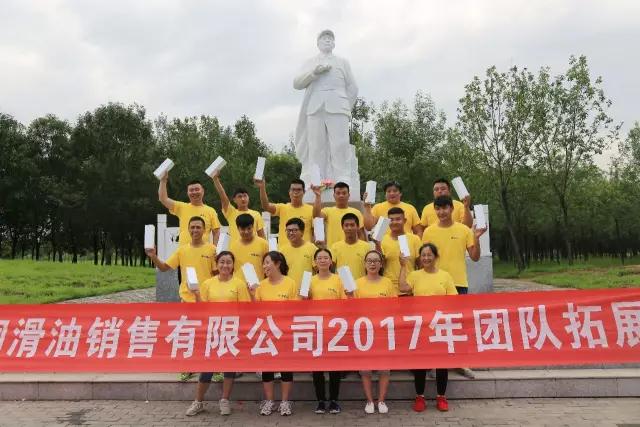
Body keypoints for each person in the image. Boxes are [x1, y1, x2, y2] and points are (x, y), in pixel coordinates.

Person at [422, 195, 487, 379]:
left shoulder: (464, 230)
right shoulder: (429, 232)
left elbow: (475, 257)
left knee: (458, 325)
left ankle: (461, 363)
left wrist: (477, 238)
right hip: (435, 284)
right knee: (434, 325)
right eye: (438, 209)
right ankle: (436, 363)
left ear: (452, 209)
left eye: (445, 208)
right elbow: (424, 259)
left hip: (458, 283)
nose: (441, 212)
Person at [185, 251, 251, 417]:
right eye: (222, 262)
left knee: (229, 369)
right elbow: (201, 308)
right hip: (213, 332)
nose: (225, 265)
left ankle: (225, 400)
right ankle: (198, 402)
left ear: (233, 265)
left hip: (231, 332)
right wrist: (197, 294)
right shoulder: (208, 283)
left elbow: (245, 309)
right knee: (207, 369)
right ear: (216, 264)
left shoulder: (239, 284)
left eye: (229, 262)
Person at [293, 29, 358, 186]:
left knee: (340, 144)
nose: (327, 40)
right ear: (318, 43)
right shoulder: (310, 62)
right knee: (316, 146)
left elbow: (353, 88)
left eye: (330, 38)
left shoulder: (343, 62)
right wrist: (313, 73)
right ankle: (317, 180)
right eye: (324, 38)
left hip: (338, 107)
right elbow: (297, 83)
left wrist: (345, 107)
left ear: (334, 43)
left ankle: (342, 179)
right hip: (315, 108)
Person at [399, 243, 456, 412]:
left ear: (435, 257)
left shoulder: (445, 276)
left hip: (439, 325)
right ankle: (420, 397)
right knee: (420, 363)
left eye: (429, 255)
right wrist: (403, 266)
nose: (426, 258)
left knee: (441, 363)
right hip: (421, 326)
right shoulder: (415, 275)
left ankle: (441, 396)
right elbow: (402, 288)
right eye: (423, 255)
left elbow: (454, 299)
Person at [251, 251, 299, 416]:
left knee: (286, 368)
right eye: (263, 263)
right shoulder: (260, 285)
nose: (264, 266)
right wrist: (252, 295)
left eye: (267, 262)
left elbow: (295, 309)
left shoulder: (290, 283)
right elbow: (255, 310)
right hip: (266, 334)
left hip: (284, 333)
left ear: (277, 264)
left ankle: (285, 402)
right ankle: (270, 401)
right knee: (267, 369)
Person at [303, 248, 350, 414]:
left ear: (331, 261)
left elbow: (346, 302)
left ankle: (334, 400)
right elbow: (302, 305)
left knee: (335, 367)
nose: (322, 260)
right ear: (314, 262)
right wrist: (305, 298)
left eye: (325, 258)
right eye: (319, 258)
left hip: (335, 330)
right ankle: (321, 401)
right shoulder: (308, 280)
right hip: (316, 329)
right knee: (317, 368)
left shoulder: (339, 279)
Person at [354, 250, 397, 414]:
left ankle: (381, 400)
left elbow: (394, 306)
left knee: (384, 369)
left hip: (383, 332)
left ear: (381, 264)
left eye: (376, 261)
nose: (372, 263)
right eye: (369, 261)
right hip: (364, 332)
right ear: (365, 264)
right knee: (365, 369)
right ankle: (370, 401)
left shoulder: (387, 283)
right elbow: (351, 308)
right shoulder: (357, 283)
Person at [145, 216, 215, 303]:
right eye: (192, 227)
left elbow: (216, 274)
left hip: (206, 298)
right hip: (186, 299)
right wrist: (153, 256)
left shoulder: (212, 249)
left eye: (198, 227)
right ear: (188, 229)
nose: (195, 230)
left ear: (204, 230)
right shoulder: (181, 250)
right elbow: (163, 268)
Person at [158, 172, 220, 246]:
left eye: (197, 189)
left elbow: (216, 232)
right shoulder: (181, 207)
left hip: (204, 251)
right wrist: (163, 180)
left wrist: (215, 250)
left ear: (203, 191)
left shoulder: (211, 211)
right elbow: (163, 199)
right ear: (187, 193)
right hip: (184, 251)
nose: (194, 192)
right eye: (191, 190)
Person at [378, 207, 422, 295]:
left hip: (409, 288)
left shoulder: (415, 239)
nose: (394, 222)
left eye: (398, 219)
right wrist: (377, 245)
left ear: (405, 221)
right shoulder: (382, 240)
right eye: (391, 220)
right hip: (389, 289)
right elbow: (380, 266)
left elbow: (420, 265)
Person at [211, 170, 265, 241]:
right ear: (234, 200)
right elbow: (223, 196)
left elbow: (262, 236)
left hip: (252, 247)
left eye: (245, 196)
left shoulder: (256, 214)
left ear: (248, 198)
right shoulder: (230, 212)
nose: (243, 199)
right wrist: (215, 179)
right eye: (239, 196)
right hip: (234, 247)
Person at [256, 178, 313, 243]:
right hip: (284, 249)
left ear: (304, 192)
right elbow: (266, 206)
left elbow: (315, 233)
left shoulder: (311, 210)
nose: (295, 192)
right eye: (293, 189)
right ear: (289, 192)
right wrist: (262, 187)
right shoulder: (282, 208)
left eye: (299, 190)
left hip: (304, 249)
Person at [312, 182, 365, 247]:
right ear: (334, 195)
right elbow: (316, 216)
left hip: (352, 249)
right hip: (333, 250)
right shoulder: (327, 211)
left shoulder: (356, 212)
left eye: (344, 193)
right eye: (338, 193)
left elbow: (361, 234)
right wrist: (318, 196)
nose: (341, 195)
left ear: (348, 195)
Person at [279, 218, 317, 291]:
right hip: (288, 291)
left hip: (306, 291)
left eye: (294, 230)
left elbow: (318, 270)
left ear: (302, 232)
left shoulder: (312, 248)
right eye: (288, 230)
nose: (291, 233)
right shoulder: (282, 250)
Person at [229, 214, 269, 284]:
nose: (246, 232)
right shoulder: (232, 246)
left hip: (258, 286)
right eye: (243, 229)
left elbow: (269, 267)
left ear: (253, 227)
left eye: (249, 228)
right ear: (238, 228)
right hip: (238, 286)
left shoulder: (263, 244)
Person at [331, 213, 372, 280]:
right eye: (346, 225)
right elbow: (331, 269)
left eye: (352, 225)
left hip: (361, 284)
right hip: (341, 285)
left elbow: (370, 269)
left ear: (358, 227)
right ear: (342, 227)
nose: (349, 228)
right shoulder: (335, 247)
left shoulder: (366, 246)